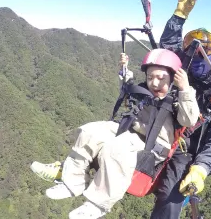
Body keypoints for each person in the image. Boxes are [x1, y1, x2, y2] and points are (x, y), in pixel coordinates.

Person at [31, 48, 200, 219]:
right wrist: (124, 70)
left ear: (173, 79)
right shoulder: (146, 91)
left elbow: (189, 120)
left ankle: (98, 204)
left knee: (116, 148)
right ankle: (73, 181)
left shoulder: (178, 100)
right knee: (89, 131)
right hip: (131, 131)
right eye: (150, 77)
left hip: (154, 145)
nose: (154, 83)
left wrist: (184, 89)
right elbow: (128, 89)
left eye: (161, 78)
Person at [150, 0, 211, 219]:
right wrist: (179, 15)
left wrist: (200, 169)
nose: (197, 59)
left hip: (187, 152)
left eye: (205, 54)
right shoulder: (182, 73)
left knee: (170, 196)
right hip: (160, 136)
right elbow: (167, 47)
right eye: (194, 53)